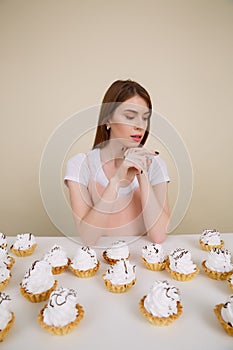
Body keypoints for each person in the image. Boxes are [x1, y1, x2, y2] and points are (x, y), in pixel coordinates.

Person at [64, 79, 170, 246]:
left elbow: (158, 236)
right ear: (107, 120)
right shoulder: (80, 165)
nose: (140, 126)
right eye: (130, 116)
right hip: (100, 262)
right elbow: (88, 238)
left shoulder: (156, 165)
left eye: (145, 118)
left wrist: (141, 173)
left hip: (142, 261)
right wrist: (116, 180)